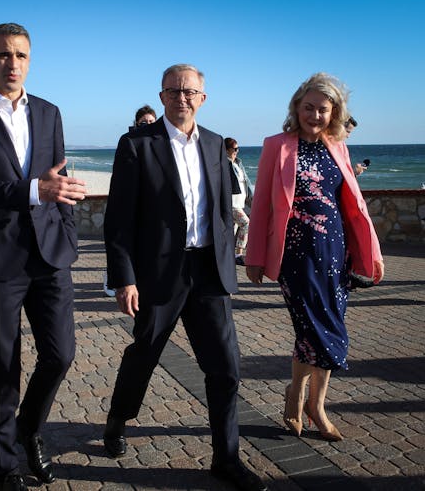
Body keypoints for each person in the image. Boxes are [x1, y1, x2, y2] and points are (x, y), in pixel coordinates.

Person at [103, 64, 266, 491]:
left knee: (226, 368)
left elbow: (220, 209)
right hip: (159, 273)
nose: (183, 98)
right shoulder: (136, 144)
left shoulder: (215, 145)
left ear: (203, 98)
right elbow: (119, 219)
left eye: (191, 91)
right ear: (162, 96)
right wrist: (125, 277)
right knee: (145, 353)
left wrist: (237, 259)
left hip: (209, 271)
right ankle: (119, 417)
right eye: (174, 91)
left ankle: (226, 459)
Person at [0, 23, 87, 491]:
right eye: (3, 55)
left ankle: (27, 430)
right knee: (3, 367)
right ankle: (4, 465)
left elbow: (58, 180)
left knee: (61, 355)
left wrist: (66, 233)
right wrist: (32, 190)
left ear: (30, 60)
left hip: (49, 255)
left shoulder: (49, 112)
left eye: (21, 55)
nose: (12, 63)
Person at [245, 73, 384, 443]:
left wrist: (371, 253)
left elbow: (353, 203)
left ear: (334, 112)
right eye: (308, 107)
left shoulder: (337, 145)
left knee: (331, 329)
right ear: (296, 108)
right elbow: (260, 207)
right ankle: (301, 399)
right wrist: (254, 256)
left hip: (335, 253)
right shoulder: (277, 145)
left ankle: (312, 403)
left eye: (323, 109)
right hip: (295, 255)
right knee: (313, 331)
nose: (315, 115)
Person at [225, 137, 253, 265]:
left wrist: (251, 200)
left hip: (239, 202)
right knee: (246, 223)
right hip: (231, 203)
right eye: (234, 149)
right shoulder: (224, 164)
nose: (237, 151)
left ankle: (227, 256)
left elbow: (245, 184)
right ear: (226, 150)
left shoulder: (238, 163)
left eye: (238, 148)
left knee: (232, 229)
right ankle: (238, 253)